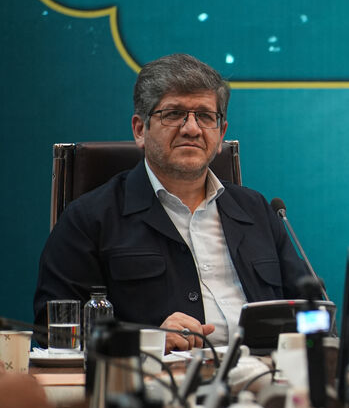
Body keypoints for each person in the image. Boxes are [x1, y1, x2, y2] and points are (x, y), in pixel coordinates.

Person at [34, 53, 308, 352]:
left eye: (205, 116)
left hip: (264, 373)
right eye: (174, 114)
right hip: (154, 377)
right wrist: (149, 341)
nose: (192, 128)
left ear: (221, 135)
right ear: (140, 129)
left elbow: (314, 315)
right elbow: (55, 336)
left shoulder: (256, 211)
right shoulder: (88, 219)